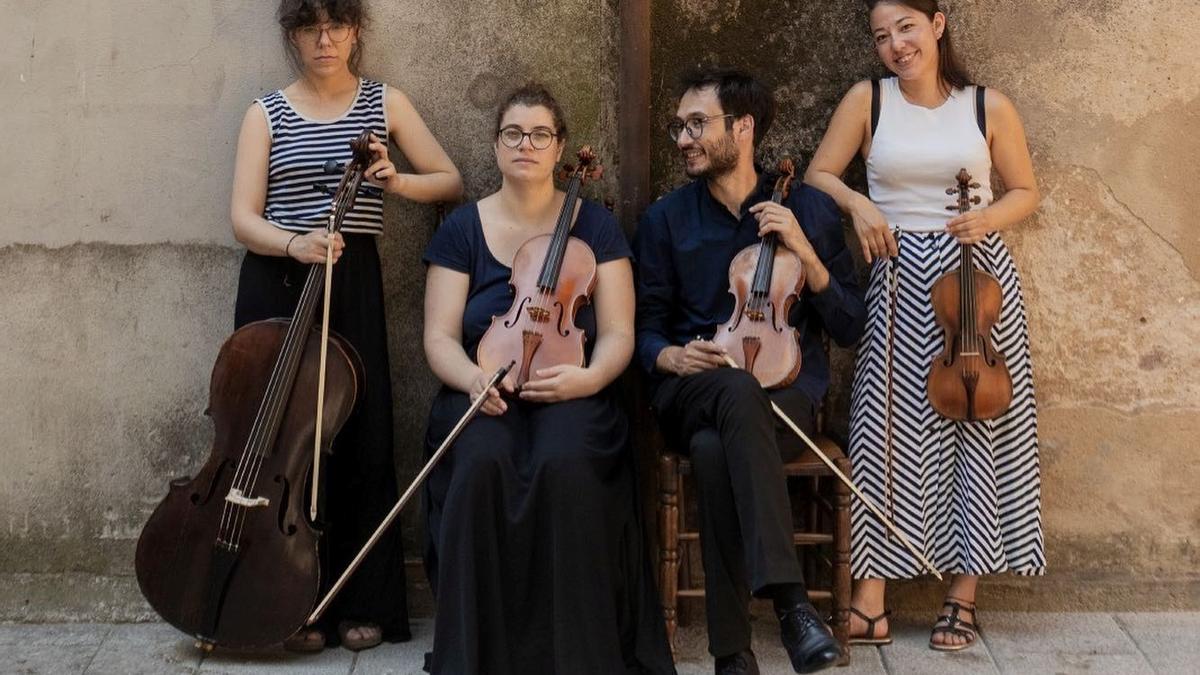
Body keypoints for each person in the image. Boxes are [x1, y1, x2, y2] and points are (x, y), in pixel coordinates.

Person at [804, 0, 1044, 652]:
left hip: (976, 284)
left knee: (982, 430)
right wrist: (856, 203)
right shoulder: (869, 100)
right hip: (899, 276)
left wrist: (986, 219)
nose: (895, 45)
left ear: (937, 25)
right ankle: (871, 601)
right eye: (882, 36)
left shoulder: (986, 106)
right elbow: (818, 174)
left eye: (906, 28)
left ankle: (962, 596)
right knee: (886, 431)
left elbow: (1024, 190)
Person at [229, 0, 462, 652]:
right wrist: (292, 243)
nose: (324, 39)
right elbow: (242, 217)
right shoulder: (264, 112)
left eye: (336, 25)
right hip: (278, 277)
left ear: (356, 32)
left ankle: (364, 599)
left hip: (351, 275)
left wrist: (396, 182)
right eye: (310, 27)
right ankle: (285, 600)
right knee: (279, 443)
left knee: (359, 433)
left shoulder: (383, 102)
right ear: (294, 36)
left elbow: (449, 179)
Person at [420, 83, 676, 675]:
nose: (526, 144)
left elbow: (617, 333)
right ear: (496, 145)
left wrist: (587, 381)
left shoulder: (598, 226)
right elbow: (438, 337)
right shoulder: (463, 228)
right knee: (482, 465)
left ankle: (577, 654)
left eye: (540, 134)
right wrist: (473, 380)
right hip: (485, 389)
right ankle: (480, 653)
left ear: (560, 147)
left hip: (571, 386)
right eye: (513, 133)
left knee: (566, 466)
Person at [633, 68, 865, 675]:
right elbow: (644, 331)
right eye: (678, 126)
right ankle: (791, 606)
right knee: (730, 392)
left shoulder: (807, 209)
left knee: (716, 450)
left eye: (698, 124)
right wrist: (674, 356)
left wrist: (808, 254)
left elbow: (848, 326)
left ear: (744, 128)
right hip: (691, 390)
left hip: (787, 397)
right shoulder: (665, 221)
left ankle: (732, 655)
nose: (684, 138)